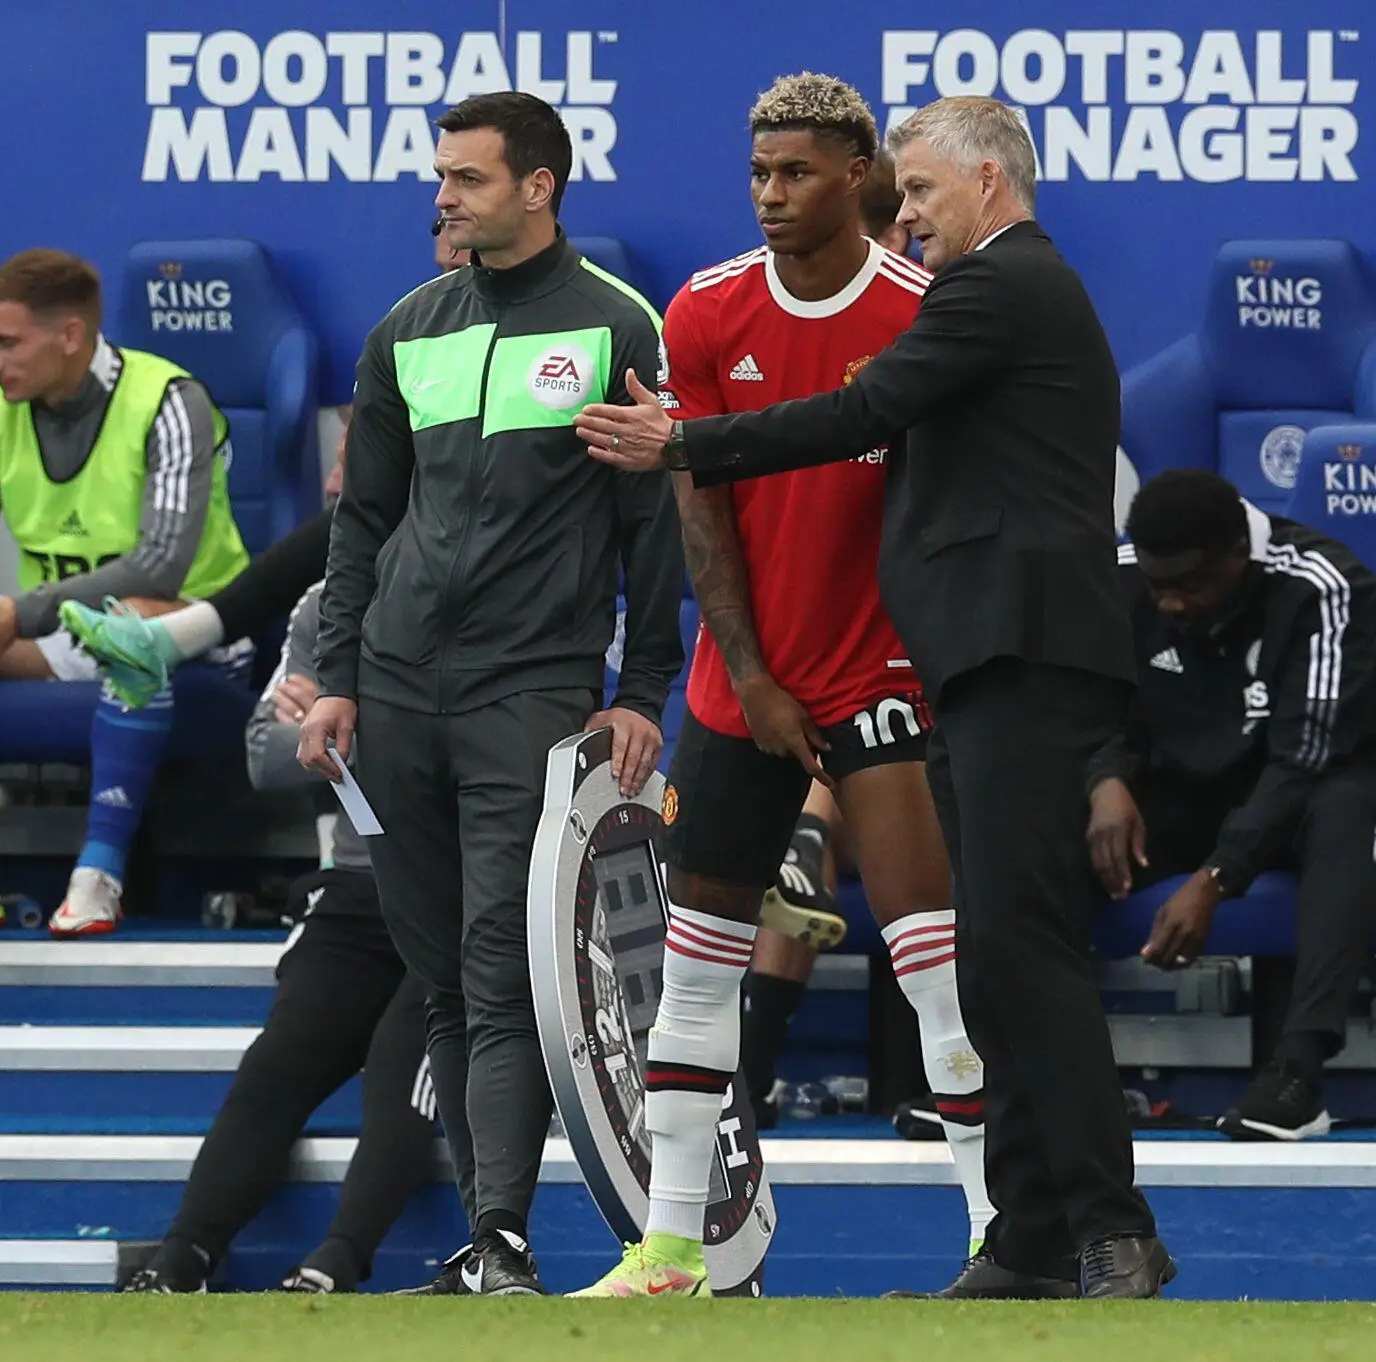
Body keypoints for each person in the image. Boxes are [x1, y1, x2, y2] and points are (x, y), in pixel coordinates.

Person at [579, 95, 1172, 1300]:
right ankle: (1025, 1240)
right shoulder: (745, 301)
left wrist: (684, 444)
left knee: (1014, 952)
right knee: (1000, 954)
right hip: (958, 663)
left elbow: (857, 414)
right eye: (898, 194)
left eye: (920, 192)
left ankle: (1107, 1232)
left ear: (990, 187)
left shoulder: (990, 289)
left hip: (999, 658)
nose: (905, 215)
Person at [570, 74, 993, 1299]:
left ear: (860, 175)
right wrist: (748, 675)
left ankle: (991, 1234)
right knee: (696, 974)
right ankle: (668, 1253)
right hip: (735, 691)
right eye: (758, 173)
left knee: (933, 970)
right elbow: (698, 505)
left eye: (796, 173)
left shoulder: (925, 310)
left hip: (885, 677)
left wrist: (898, 665)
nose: (769, 196)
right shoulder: (701, 310)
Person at [299, 91, 686, 1297]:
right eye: (440, 177)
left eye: (467, 178)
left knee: (494, 962)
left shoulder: (617, 324)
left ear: (539, 186)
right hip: (396, 699)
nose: (444, 197)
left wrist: (647, 690)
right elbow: (363, 526)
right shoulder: (406, 327)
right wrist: (338, 679)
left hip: (529, 692)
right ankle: (486, 1243)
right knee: (441, 973)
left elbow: (654, 530)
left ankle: (505, 1239)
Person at [1089, 470, 1376, 1140]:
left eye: (1189, 584)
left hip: (1361, 782)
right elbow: (1103, 710)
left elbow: (1304, 760)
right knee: (1044, 825)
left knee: (1346, 811)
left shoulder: (1322, 585)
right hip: (1205, 791)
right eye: (1156, 584)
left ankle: (1299, 1072)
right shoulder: (1120, 576)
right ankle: (1008, 1072)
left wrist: (1216, 878)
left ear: (1238, 554)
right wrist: (1107, 782)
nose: (1168, 603)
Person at [124, 580, 435, 1294]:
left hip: (470, 887)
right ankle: (185, 1256)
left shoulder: (503, 569)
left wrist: (342, 727)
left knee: (403, 1056)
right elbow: (267, 758)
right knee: (278, 1062)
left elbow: (483, 762)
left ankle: (338, 1259)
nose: (339, 489)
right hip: (361, 882)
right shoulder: (327, 600)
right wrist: (366, 733)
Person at [0, 249, 252, 936]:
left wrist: (15, 614)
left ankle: (98, 877)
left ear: (71, 336)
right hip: (64, 638)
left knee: (132, 628)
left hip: (196, 637)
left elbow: (160, 566)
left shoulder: (170, 400)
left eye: (7, 343)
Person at [63, 235, 474, 705]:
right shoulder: (423, 336)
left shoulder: (555, 329)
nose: (449, 283)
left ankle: (181, 635)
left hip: (507, 542)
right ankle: (176, 638)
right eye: (443, 268)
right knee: (352, 518)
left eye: (460, 266)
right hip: (431, 535)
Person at [739, 142, 926, 1110]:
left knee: (837, 783)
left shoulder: (943, 331)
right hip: (834, 678)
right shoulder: (775, 333)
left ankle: (806, 840)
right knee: (816, 757)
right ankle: (747, 1080)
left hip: (926, 666)